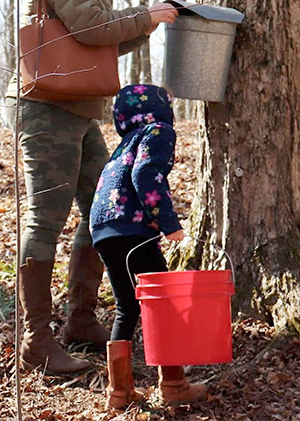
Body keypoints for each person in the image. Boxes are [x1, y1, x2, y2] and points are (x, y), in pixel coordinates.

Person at [3, 0, 180, 375]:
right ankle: (36, 342)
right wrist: (142, 16)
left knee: (103, 211)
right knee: (45, 219)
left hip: (78, 110)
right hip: (46, 110)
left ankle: (80, 319)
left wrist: (144, 23)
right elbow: (89, 26)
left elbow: (95, 42)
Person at [90, 84, 208, 409]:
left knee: (127, 307)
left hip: (103, 229)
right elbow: (145, 174)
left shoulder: (124, 143)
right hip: (132, 229)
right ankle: (173, 384)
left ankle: (119, 392)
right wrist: (169, 224)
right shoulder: (159, 131)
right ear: (161, 108)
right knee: (164, 305)